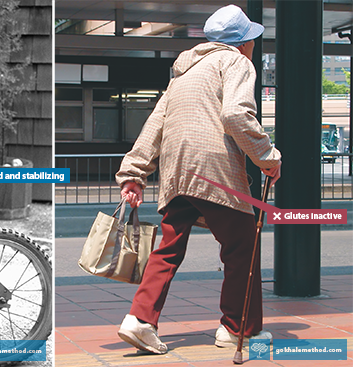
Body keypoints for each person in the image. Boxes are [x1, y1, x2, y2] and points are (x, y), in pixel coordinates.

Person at [115, 5, 282, 354]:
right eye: (250, 39)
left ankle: (139, 320)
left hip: (177, 172)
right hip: (215, 170)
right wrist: (267, 156)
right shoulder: (235, 62)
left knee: (168, 248)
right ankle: (237, 330)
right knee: (241, 248)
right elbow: (236, 113)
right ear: (243, 43)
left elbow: (155, 126)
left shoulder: (183, 73)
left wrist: (133, 173)